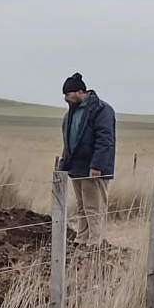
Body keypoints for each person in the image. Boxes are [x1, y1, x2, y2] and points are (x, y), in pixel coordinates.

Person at [57, 73, 116, 246]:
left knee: (94, 207)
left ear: (80, 91)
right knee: (82, 206)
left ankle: (95, 242)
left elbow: (105, 140)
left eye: (68, 94)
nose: (65, 98)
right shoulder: (70, 115)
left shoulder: (101, 110)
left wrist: (97, 165)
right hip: (77, 169)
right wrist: (63, 166)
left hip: (93, 169)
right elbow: (69, 142)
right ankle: (82, 238)